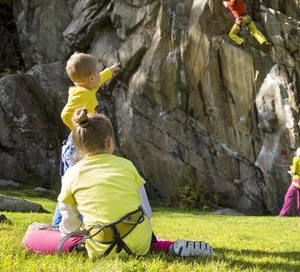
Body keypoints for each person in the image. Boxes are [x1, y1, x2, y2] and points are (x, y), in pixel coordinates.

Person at [23, 110, 214, 258]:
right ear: (109, 141)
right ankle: (169, 245)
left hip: (99, 247)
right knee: (138, 232)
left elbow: (68, 223)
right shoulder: (127, 165)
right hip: (140, 244)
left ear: (79, 148)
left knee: (32, 236)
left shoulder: (72, 173)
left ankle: (45, 234)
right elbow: (146, 212)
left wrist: (76, 233)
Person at [52, 52, 120, 227]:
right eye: (97, 73)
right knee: (75, 187)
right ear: (90, 78)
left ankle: (62, 225)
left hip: (76, 145)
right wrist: (77, 128)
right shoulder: (82, 94)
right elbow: (65, 114)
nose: (99, 75)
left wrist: (109, 72)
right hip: (76, 147)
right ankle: (61, 226)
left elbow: (98, 80)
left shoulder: (87, 88)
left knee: (72, 187)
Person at [279, 146, 300, 217]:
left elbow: (294, 171)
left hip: (296, 180)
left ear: (298, 152)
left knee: (288, 196)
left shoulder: (295, 159)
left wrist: (291, 168)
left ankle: (284, 213)